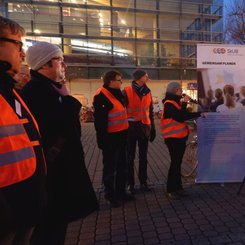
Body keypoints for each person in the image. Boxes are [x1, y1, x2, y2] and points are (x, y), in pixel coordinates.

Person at [21, 41, 98, 244]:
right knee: (49, 231)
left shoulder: (48, 88)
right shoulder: (37, 92)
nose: (64, 66)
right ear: (45, 65)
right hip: (53, 177)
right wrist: (68, 101)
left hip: (57, 174)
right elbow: (63, 126)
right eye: (60, 61)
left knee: (56, 228)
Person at [0, 16, 46, 245]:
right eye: (17, 44)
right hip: (7, 212)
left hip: (23, 205)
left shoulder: (10, 92)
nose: (23, 53)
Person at [93, 70, 134, 208]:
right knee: (110, 169)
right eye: (119, 80)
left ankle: (121, 192)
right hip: (110, 139)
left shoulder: (119, 94)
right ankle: (110, 196)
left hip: (122, 136)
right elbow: (100, 123)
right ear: (111, 81)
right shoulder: (101, 96)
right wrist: (103, 141)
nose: (121, 82)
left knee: (123, 166)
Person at [161, 81, 202, 200]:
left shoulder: (176, 102)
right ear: (175, 91)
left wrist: (190, 101)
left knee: (177, 164)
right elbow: (181, 117)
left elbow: (192, 110)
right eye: (180, 90)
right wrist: (186, 105)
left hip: (179, 138)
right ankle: (171, 189)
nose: (182, 91)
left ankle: (178, 188)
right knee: (175, 164)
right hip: (173, 139)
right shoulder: (169, 104)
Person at [123, 69, 156, 194]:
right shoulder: (126, 91)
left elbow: (150, 111)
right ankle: (129, 184)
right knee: (129, 158)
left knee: (143, 157)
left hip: (144, 128)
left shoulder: (148, 92)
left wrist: (152, 128)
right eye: (145, 75)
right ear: (139, 78)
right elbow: (121, 111)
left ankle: (143, 182)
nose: (147, 77)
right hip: (130, 128)